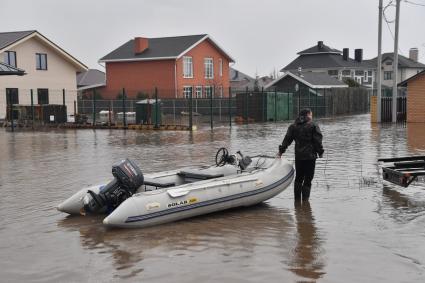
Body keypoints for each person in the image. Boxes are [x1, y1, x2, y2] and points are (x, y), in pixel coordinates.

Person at [278, 108, 324, 202]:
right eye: (311, 115)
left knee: (298, 178)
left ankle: (297, 202)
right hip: (310, 157)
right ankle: (305, 202)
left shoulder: (293, 126)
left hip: (299, 157)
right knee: (308, 179)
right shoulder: (313, 125)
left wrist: (281, 152)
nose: (312, 116)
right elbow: (317, 141)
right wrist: (320, 152)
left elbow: (287, 140)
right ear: (307, 115)